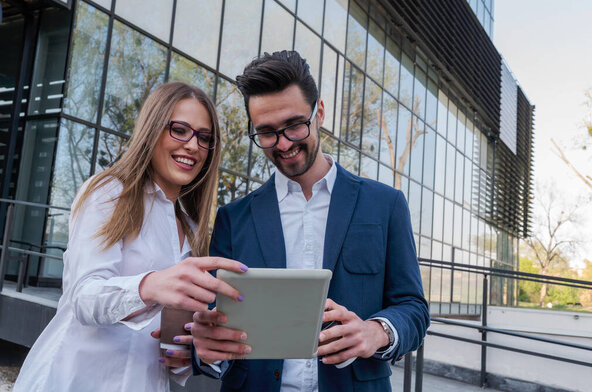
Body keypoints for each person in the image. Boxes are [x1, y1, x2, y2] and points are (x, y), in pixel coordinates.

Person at [189, 51, 430, 391]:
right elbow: (216, 326)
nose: (283, 144)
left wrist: (375, 332)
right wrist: (208, 348)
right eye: (267, 133)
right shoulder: (232, 218)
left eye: (294, 125)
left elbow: (414, 309)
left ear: (319, 112)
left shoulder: (385, 204)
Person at [13, 82, 248, 392]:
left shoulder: (191, 227)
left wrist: (184, 353)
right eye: (179, 129)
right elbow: (82, 297)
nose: (193, 145)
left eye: (205, 138)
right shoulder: (109, 193)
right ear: (152, 130)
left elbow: (168, 341)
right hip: (76, 380)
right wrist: (150, 286)